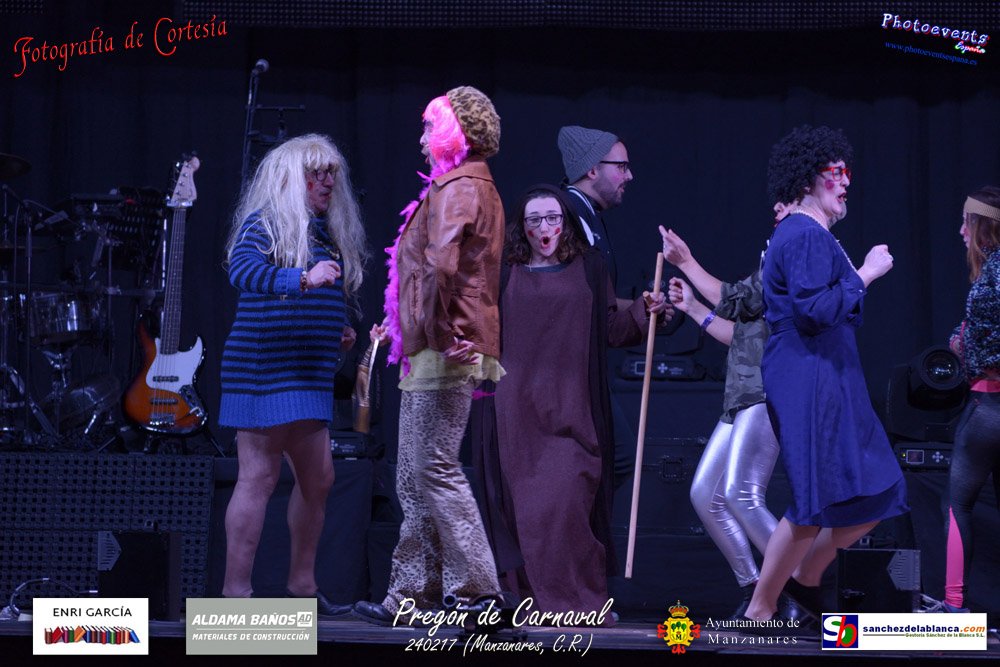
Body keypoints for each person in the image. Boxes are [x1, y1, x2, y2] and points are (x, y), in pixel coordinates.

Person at [475, 184, 667, 623]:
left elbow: (611, 329)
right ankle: (532, 603)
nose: (545, 227)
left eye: (552, 218)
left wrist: (644, 309)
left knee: (567, 507)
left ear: (566, 222)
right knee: (527, 512)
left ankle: (579, 602)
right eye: (534, 219)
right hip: (517, 411)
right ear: (522, 227)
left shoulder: (589, 267)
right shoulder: (504, 271)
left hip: (573, 407)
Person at [744, 125, 908, 624]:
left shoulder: (811, 234)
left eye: (847, 171)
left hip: (829, 370)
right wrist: (867, 273)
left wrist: (856, 281)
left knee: (878, 489)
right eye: (835, 172)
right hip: (809, 373)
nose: (846, 182)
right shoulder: (803, 233)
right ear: (807, 179)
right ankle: (760, 607)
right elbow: (814, 311)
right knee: (815, 497)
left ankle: (807, 577)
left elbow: (830, 311)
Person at [353, 86, 505, 625]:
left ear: (453, 132)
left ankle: (480, 591)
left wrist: (439, 331)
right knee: (413, 476)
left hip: (445, 346)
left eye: (429, 127)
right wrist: (402, 325)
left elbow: (442, 267)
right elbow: (426, 271)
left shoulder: (460, 186)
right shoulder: (457, 184)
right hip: (432, 344)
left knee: (435, 468)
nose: (421, 139)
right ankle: (413, 593)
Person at [219, 133, 369, 616]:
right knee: (258, 478)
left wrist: (335, 331)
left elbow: (314, 300)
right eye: (314, 174)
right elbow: (242, 271)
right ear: (288, 179)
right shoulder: (266, 223)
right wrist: (303, 278)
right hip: (263, 371)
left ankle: (302, 588)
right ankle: (236, 597)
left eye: (331, 174)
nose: (326, 182)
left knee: (320, 479)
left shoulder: (324, 231)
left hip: (306, 376)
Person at [660, 201, 796, 620]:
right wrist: (692, 309)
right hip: (740, 394)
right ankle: (757, 589)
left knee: (742, 495)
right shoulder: (772, 254)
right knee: (706, 495)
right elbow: (741, 334)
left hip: (765, 391)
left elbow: (734, 299)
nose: (776, 207)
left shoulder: (793, 254)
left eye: (786, 201)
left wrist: (687, 262)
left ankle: (797, 588)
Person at [943, 185, 1000, 613]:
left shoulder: (990, 279)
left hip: (988, 408)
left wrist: (962, 344)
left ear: (983, 226)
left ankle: (954, 606)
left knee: (958, 504)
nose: (961, 231)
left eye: (967, 222)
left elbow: (980, 347)